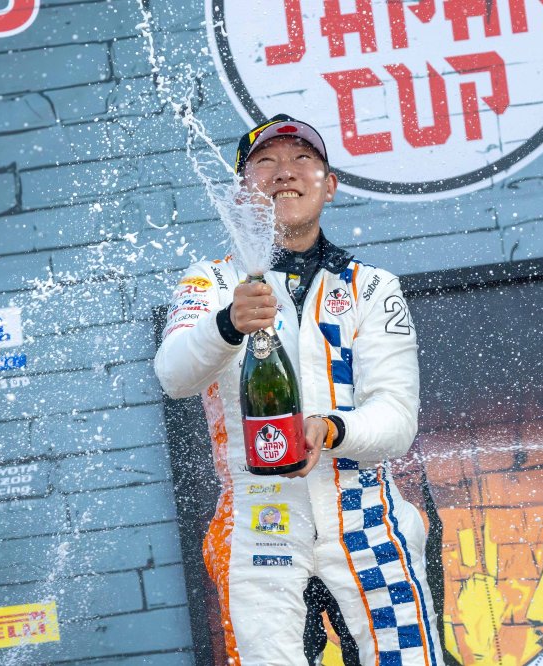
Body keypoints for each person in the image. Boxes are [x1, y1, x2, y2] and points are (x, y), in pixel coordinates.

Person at [154, 114, 444, 665]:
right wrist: (226, 324)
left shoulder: (372, 287)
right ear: (241, 194)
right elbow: (173, 376)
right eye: (265, 162)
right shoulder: (211, 282)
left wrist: (331, 429)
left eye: (302, 159)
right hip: (256, 521)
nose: (284, 172)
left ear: (329, 185)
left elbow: (397, 418)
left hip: (365, 516)